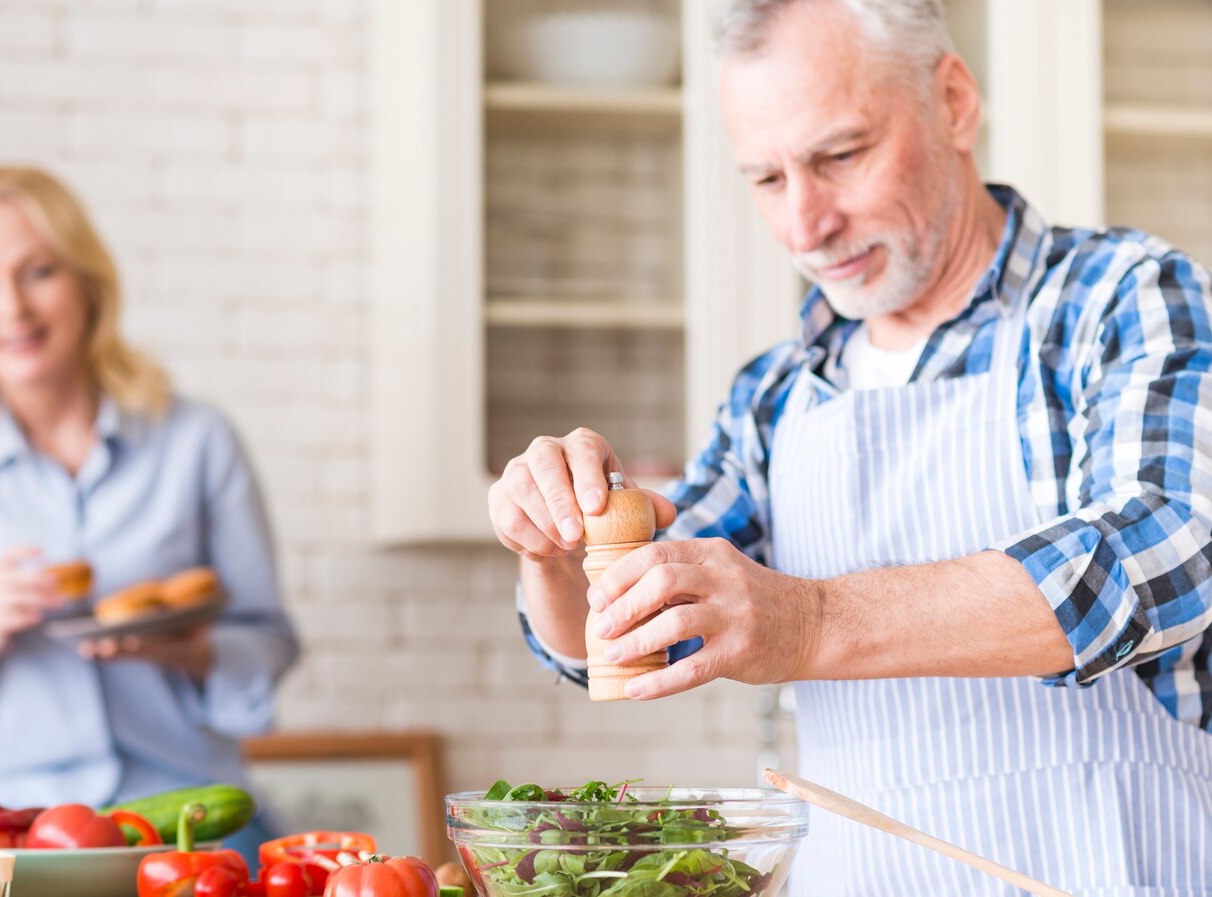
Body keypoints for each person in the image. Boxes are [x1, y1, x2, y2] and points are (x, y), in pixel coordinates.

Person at [488, 1, 1212, 893]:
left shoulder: (1119, 298)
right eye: (765, 179)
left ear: (952, 101)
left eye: (839, 156)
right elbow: (634, 629)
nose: (804, 226)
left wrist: (812, 621)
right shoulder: (775, 394)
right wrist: (554, 549)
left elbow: (1172, 547)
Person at [0, 166, 298, 859]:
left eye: (38, 271)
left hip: (189, 812)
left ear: (87, 283)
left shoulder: (197, 441)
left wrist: (182, 648)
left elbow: (268, 640)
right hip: (5, 827)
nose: (13, 308)